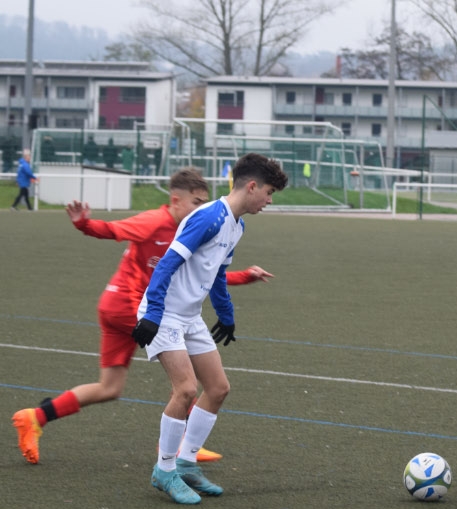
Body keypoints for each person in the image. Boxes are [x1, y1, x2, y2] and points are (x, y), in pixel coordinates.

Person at [11, 168, 274, 465]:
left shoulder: (197, 226)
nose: (201, 208)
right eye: (196, 202)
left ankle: (34, 417)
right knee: (186, 379)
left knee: (109, 388)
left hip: (117, 307)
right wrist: (84, 224)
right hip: (133, 307)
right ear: (175, 200)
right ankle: (181, 448)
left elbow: (207, 273)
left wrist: (243, 277)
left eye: (204, 202)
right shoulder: (154, 221)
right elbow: (113, 230)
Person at [132, 153, 288, 504]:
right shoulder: (208, 217)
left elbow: (216, 274)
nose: (269, 200)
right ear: (251, 186)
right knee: (185, 389)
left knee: (217, 388)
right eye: (269, 192)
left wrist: (226, 314)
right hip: (164, 314)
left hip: (189, 316)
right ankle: (165, 470)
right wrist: (153, 313)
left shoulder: (237, 225)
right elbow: (167, 264)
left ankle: (186, 464)